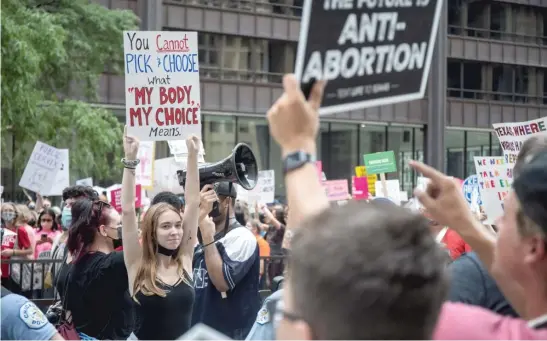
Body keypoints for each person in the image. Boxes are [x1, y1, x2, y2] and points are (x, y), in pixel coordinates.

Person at [121, 131, 201, 340]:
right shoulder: (137, 264)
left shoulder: (185, 259)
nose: (174, 231)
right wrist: (130, 160)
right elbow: (128, 210)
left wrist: (192, 155)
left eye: (177, 225)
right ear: (152, 233)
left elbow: (193, 202)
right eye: (166, 226)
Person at [55, 198, 134, 340]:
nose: (121, 231)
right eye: (119, 225)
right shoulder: (111, 265)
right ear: (103, 230)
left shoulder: (76, 262)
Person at [192, 181, 261, 340]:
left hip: (229, 333)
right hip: (200, 327)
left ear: (227, 202)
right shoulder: (200, 232)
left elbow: (221, 282)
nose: (206, 206)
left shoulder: (242, 237)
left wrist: (207, 236)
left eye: (211, 201)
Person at [1, 202, 33, 294]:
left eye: (10, 210)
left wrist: (13, 252)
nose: (8, 213)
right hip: (1, 271)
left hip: (14, 272)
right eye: (5, 210)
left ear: (15, 213)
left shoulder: (20, 230)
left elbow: (30, 250)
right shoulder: (1, 229)